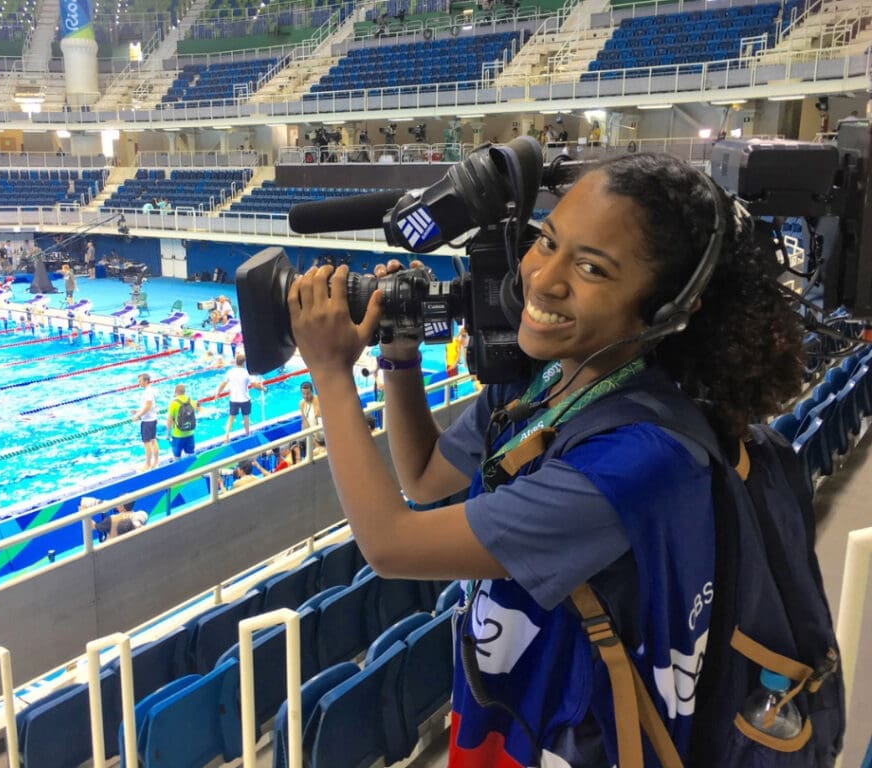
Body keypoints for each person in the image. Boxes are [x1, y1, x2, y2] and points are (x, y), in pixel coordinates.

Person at [285, 152, 804, 767]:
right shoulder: (551, 380)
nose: (543, 279)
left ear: (668, 309)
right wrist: (400, 349)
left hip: (574, 738)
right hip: (515, 706)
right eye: (546, 242)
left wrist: (330, 371)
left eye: (591, 267)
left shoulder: (641, 458)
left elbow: (389, 545)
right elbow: (423, 480)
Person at [216, 352, 265, 443]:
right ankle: (247, 434)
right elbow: (254, 385)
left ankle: (226, 435)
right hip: (245, 400)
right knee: (246, 418)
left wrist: (218, 393)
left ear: (235, 362)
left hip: (233, 399)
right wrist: (263, 389)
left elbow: (223, 384)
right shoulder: (247, 373)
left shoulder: (230, 372)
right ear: (244, 362)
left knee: (231, 418)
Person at [130, 372, 159, 470]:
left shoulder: (147, 392)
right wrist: (138, 411)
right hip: (153, 419)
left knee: (147, 443)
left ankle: (147, 464)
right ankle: (155, 462)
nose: (139, 383)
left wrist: (138, 415)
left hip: (147, 421)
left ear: (146, 381)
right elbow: (150, 406)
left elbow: (148, 406)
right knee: (153, 441)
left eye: (140, 381)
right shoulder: (151, 390)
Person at [165, 383, 197, 458]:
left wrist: (168, 434)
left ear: (176, 392)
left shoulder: (173, 403)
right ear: (184, 391)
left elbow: (169, 421)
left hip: (178, 435)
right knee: (191, 455)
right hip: (190, 433)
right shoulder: (191, 401)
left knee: (177, 456)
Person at [298, 380, 322, 448]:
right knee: (297, 442)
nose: (305, 396)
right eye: (303, 393)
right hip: (314, 438)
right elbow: (304, 423)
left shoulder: (319, 401)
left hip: (324, 436)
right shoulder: (302, 403)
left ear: (312, 392)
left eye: (308, 393)